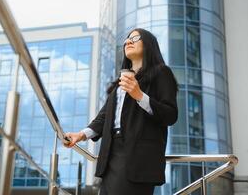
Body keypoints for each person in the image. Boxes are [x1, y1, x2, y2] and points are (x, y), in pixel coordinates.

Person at [63, 28, 178, 195]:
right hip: (110, 154)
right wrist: (80, 135)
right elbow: (104, 118)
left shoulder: (162, 73)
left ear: (149, 45)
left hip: (138, 156)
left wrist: (139, 95)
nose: (128, 42)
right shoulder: (119, 83)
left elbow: (170, 115)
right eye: (127, 39)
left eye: (135, 38)